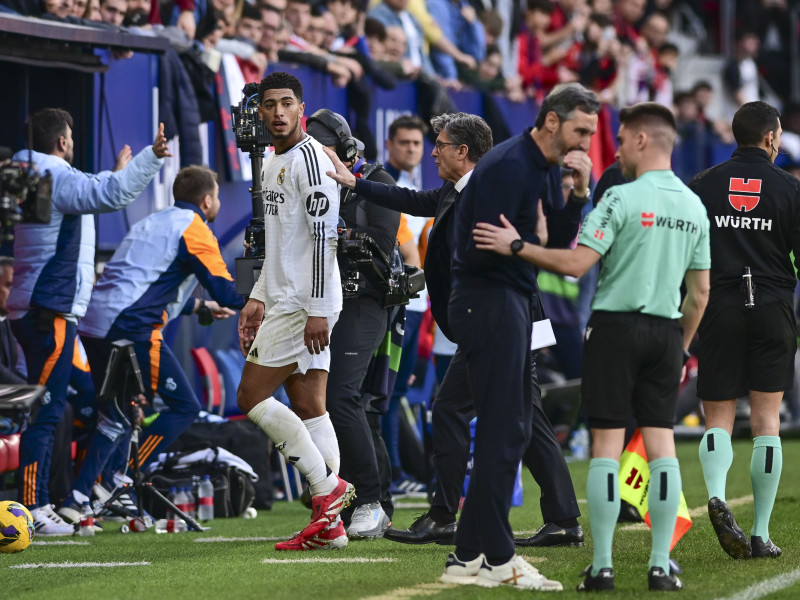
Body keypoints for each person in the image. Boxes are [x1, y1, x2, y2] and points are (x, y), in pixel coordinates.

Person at [474, 101, 710, 591]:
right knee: (661, 449)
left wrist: (517, 246)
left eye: (621, 139)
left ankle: (602, 565)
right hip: (667, 332)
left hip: (614, 330)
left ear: (643, 140)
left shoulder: (620, 199)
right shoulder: (693, 205)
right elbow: (701, 292)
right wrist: (680, 345)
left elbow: (576, 265)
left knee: (605, 448)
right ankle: (661, 566)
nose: (615, 148)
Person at [325, 111, 585, 550]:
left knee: (451, 409)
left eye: (440, 145)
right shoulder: (455, 189)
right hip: (490, 322)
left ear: (463, 152)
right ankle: (561, 519)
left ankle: (448, 515)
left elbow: (542, 244)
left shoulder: (494, 187)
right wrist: (355, 183)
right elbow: (413, 200)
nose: (433, 152)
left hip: (503, 323)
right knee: (525, 416)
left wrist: (575, 198)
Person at [438, 84, 599, 591]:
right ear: (552, 121)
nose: (586, 143)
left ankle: (466, 556)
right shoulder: (509, 165)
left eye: (592, 133)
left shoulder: (549, 168)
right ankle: (499, 558)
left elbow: (553, 237)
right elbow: (491, 246)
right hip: (487, 302)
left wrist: (578, 194)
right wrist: (526, 244)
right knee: (503, 430)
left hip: (511, 301)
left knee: (509, 428)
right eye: (581, 130)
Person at [9, 108, 169, 535]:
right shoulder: (55, 176)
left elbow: (87, 193)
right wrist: (151, 157)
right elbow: (110, 195)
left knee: (69, 404)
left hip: (40, 309)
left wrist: (112, 175)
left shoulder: (26, 173)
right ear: (62, 142)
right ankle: (33, 508)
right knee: (44, 411)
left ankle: (58, 498)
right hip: (50, 313)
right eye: (72, 138)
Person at [55, 165, 244, 525]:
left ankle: (82, 496)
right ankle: (120, 476)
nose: (218, 202)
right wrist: (268, 290)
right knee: (184, 407)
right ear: (207, 201)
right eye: (217, 196)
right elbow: (227, 290)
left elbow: (145, 284)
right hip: (130, 328)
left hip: (96, 324)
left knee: (118, 414)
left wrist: (202, 306)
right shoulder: (196, 229)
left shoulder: (152, 223)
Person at [236, 71, 354, 552]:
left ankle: (330, 493)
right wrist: (257, 295)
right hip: (287, 298)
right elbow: (280, 244)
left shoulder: (311, 160)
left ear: (300, 108)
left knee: (250, 396)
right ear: (260, 112)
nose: (278, 112)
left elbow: (327, 237)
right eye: (270, 105)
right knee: (309, 407)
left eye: (287, 103)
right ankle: (330, 528)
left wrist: (318, 309)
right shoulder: (270, 164)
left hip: (306, 302)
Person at [689, 101, 798, 560]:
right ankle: (760, 533)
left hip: (719, 304)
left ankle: (716, 495)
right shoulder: (790, 189)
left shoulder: (702, 185)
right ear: (772, 137)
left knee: (717, 417)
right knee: (766, 422)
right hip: (772, 306)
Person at [305, 108, 400, 541]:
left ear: (344, 147)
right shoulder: (302, 180)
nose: (316, 159)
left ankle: (369, 502)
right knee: (327, 403)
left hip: (365, 300)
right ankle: (344, 500)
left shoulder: (376, 181)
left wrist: (334, 233)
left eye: (323, 150)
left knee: (344, 397)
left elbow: (380, 245)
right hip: (317, 302)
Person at [0, 257, 24, 385]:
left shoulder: (7, 320)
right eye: (9, 285)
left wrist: (35, 388)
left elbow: (11, 369)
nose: (13, 292)